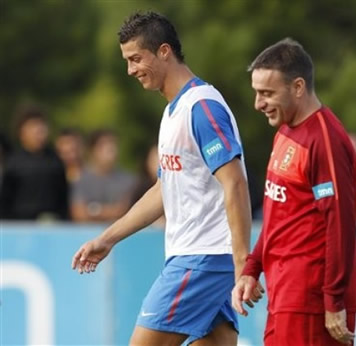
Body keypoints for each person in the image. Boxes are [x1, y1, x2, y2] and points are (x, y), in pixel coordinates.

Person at [71, 11, 252, 346]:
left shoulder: (202, 106)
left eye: (136, 58)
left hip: (202, 259)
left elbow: (235, 182)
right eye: (127, 60)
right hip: (199, 258)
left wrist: (244, 263)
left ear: (164, 51)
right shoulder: (173, 112)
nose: (131, 70)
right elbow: (163, 190)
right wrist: (107, 239)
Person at [232, 38, 356, 346]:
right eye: (257, 92)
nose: (258, 103)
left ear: (298, 87)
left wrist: (333, 301)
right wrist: (252, 268)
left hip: (310, 302)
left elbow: (339, 224)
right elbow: (279, 214)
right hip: (285, 295)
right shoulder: (286, 133)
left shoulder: (324, 140)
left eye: (267, 93)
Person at [0, 105, 68, 220]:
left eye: (41, 126)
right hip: (18, 227)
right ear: (22, 132)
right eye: (33, 126)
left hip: (52, 226)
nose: (39, 131)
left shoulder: (55, 161)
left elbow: (63, 199)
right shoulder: (12, 163)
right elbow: (5, 203)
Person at [70, 129, 135, 222]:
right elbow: (79, 214)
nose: (110, 150)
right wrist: (110, 211)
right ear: (93, 150)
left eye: (113, 145)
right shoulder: (81, 180)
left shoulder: (129, 180)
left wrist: (92, 210)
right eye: (104, 146)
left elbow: (124, 211)